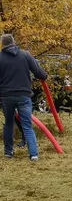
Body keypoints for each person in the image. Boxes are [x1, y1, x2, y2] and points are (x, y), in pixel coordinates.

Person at [0, 33, 47, 161]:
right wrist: (44, 76)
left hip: (6, 96)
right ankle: (33, 154)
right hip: (24, 95)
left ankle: (8, 152)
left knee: (8, 123)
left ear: (2, 44)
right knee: (27, 125)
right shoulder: (25, 55)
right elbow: (38, 71)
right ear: (13, 42)